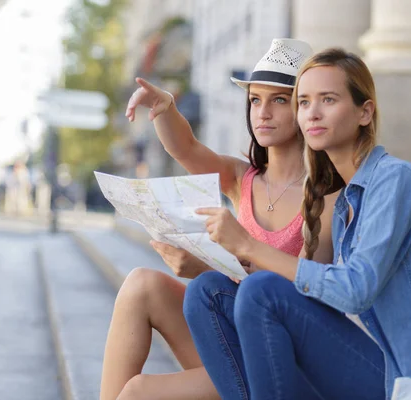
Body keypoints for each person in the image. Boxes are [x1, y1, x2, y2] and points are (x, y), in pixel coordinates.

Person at [185, 48, 411, 400]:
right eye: (304, 102)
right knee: (208, 292)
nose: (313, 113)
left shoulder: (395, 180)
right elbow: (321, 298)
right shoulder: (344, 202)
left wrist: (250, 245)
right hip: (383, 372)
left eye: (328, 100)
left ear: (364, 112)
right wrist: (243, 259)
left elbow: (354, 290)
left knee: (261, 292)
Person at [99, 38, 338, 400]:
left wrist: (205, 268)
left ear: (305, 108)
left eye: (278, 100)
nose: (263, 112)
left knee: (138, 393)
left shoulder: (324, 197)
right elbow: (189, 149)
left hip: (277, 359)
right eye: (255, 100)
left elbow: (302, 296)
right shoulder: (242, 178)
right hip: (225, 333)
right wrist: (165, 108)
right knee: (140, 285)